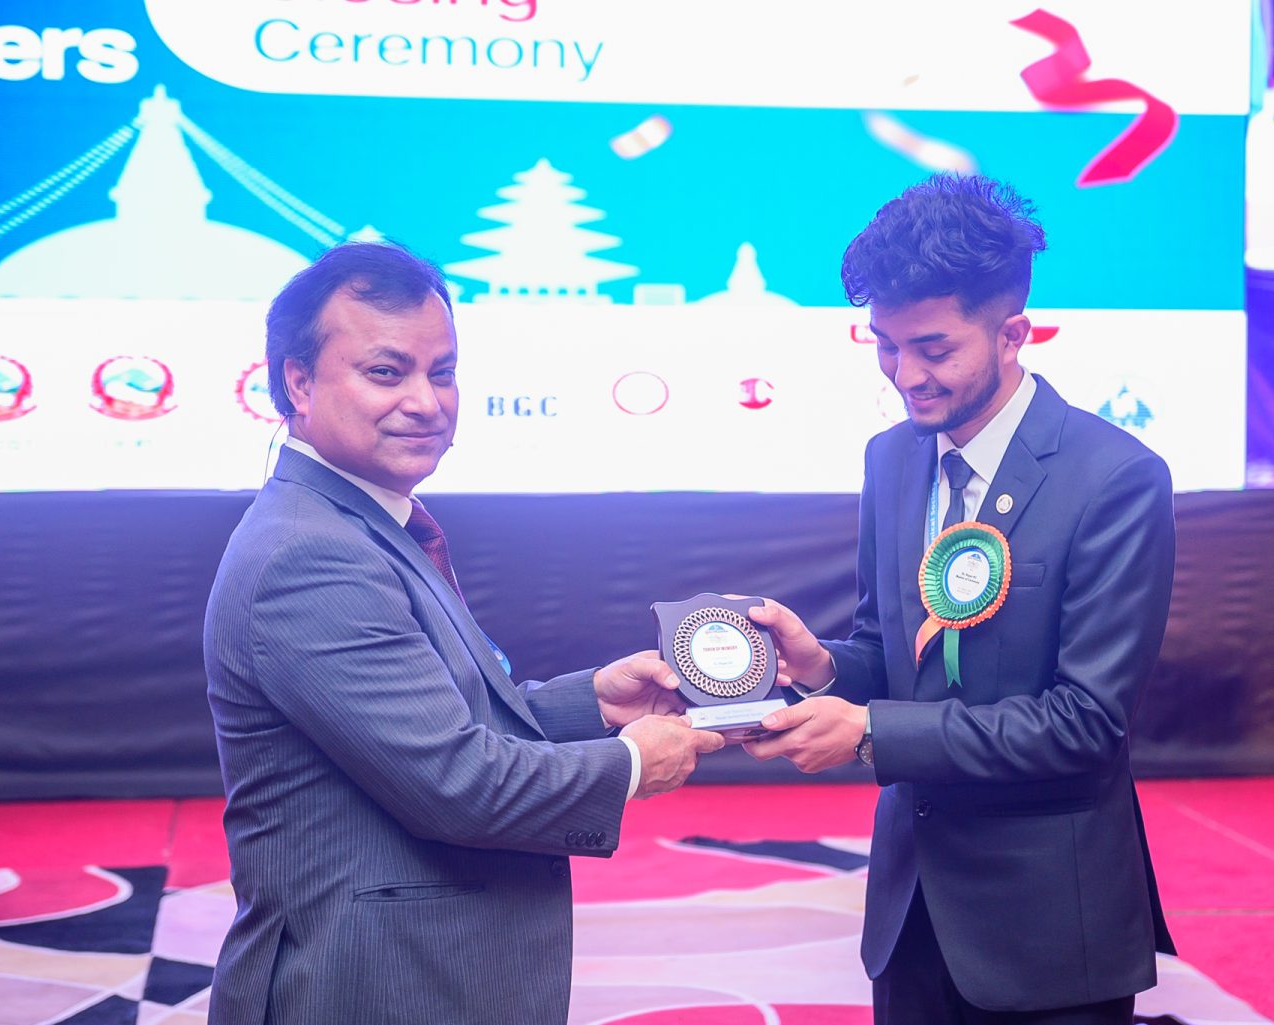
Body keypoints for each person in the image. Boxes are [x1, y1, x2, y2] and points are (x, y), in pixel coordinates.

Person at [203, 241, 724, 1025]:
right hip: (369, 988)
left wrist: (593, 703)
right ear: (299, 383)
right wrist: (629, 763)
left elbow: (436, 725)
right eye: (387, 372)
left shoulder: (361, 524)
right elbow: (458, 782)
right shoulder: (310, 554)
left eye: (441, 372)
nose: (426, 402)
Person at [744, 174, 1176, 1024]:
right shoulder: (892, 459)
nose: (906, 375)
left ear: (1014, 334)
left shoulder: (1116, 479)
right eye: (885, 346)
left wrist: (869, 732)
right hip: (909, 917)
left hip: (1050, 933)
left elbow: (1085, 723)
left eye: (934, 349)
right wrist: (824, 666)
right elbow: (892, 654)